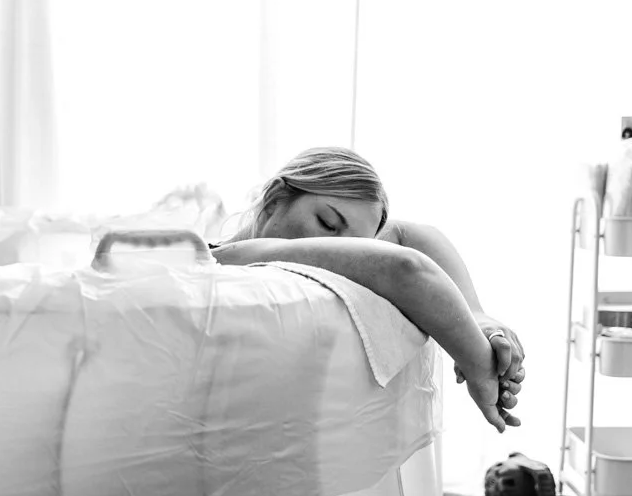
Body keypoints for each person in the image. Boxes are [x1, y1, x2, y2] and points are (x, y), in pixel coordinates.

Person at [210, 146, 524, 433]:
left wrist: (476, 315)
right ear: (275, 198)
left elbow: (412, 235)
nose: (337, 250)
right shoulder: (218, 261)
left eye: (355, 246)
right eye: (328, 224)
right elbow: (406, 269)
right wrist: (478, 361)